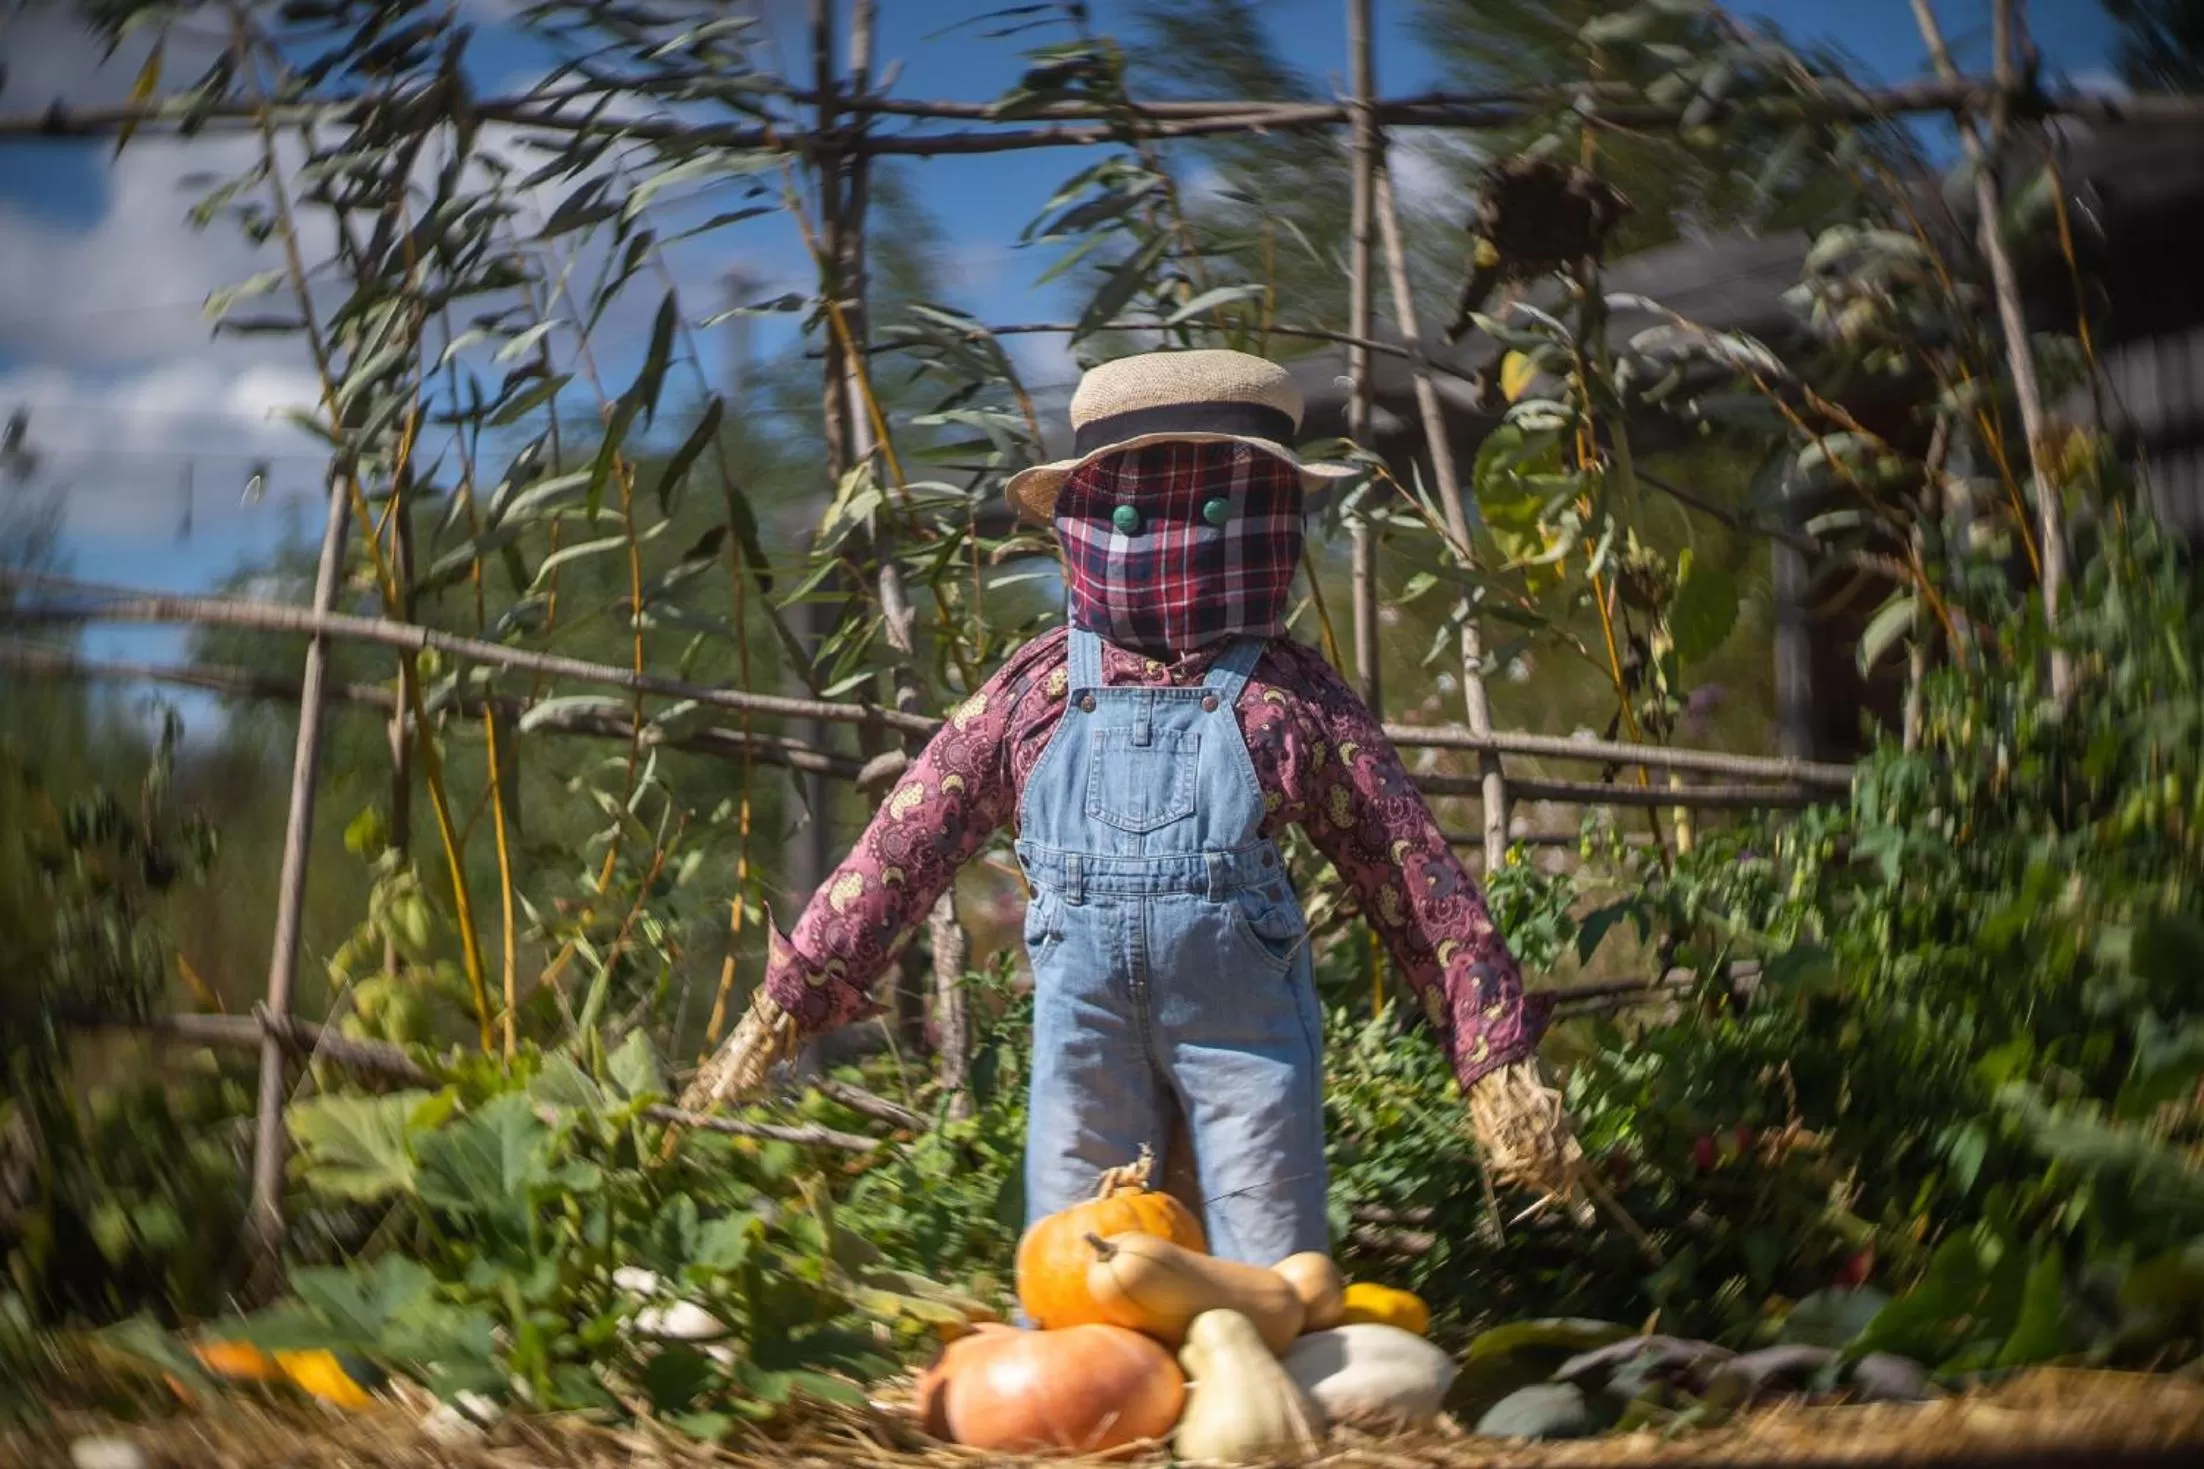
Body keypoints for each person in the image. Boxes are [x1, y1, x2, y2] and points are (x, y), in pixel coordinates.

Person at [743, 349, 1552, 1267]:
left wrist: (1488, 1040)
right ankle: (1107, 1387)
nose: (1179, 540)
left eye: (1214, 512)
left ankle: (1258, 1378)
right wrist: (803, 981)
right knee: (1080, 1249)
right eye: (1137, 514)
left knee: (1266, 1246)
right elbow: (911, 835)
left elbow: (1408, 868)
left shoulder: (1284, 698)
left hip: (1238, 1027)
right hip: (1088, 1024)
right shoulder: (1050, 689)